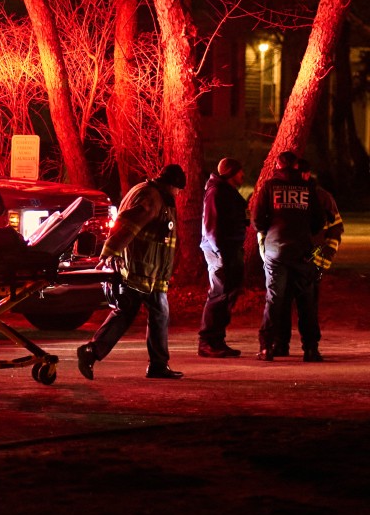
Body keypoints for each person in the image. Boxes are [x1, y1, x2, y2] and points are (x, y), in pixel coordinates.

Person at [77, 164, 186, 381]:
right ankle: (156, 364)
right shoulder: (152, 199)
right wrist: (108, 253)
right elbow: (127, 227)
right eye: (177, 189)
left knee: (131, 313)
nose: (178, 194)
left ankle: (94, 352)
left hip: (148, 271)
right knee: (153, 313)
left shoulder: (148, 192)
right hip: (141, 270)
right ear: (171, 185)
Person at [253, 151, 324, 362]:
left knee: (274, 299)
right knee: (306, 301)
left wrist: (272, 231)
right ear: (295, 167)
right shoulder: (308, 188)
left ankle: (267, 348)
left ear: (277, 166)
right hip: (302, 251)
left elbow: (258, 220)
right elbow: (318, 221)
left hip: (276, 251)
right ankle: (311, 349)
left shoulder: (270, 187)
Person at [270, 158, 343, 360]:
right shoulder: (298, 194)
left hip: (310, 259)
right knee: (287, 303)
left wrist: (324, 260)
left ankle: (309, 347)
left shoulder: (321, 197)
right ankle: (284, 344)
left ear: (306, 174)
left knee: (305, 305)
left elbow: (335, 229)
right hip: (293, 257)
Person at [198, 157, 249, 358]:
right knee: (219, 295)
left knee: (225, 295)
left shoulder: (226, 192)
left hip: (228, 249)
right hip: (221, 251)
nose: (242, 175)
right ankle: (207, 341)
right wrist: (222, 252)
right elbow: (211, 226)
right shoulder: (216, 193)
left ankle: (217, 340)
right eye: (239, 171)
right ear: (230, 173)